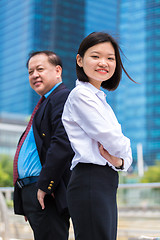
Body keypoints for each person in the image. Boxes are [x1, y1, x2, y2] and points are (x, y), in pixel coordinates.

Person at [62, 32, 133, 240]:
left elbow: (120, 153)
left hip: (105, 180)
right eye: (95, 56)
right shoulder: (80, 96)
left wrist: (121, 160)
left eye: (110, 58)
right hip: (90, 179)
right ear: (79, 60)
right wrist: (124, 154)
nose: (104, 62)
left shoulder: (100, 99)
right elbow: (112, 139)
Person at [13, 51, 74, 240]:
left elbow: (63, 142)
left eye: (40, 69)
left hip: (46, 191)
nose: (34, 75)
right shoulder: (44, 103)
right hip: (34, 191)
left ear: (57, 70)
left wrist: (45, 186)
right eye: (30, 72)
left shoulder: (62, 97)